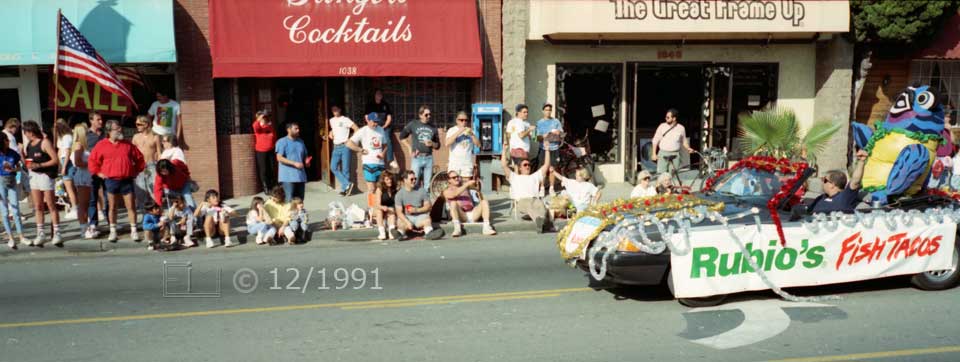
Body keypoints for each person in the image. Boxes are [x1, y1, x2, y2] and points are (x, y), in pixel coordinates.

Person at [89, 119, 146, 243]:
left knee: (131, 206)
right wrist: (99, 173)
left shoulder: (128, 144)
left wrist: (136, 171)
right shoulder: (101, 145)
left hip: (127, 180)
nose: (120, 130)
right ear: (109, 131)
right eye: (117, 128)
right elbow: (92, 161)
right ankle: (113, 231)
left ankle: (134, 231)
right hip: (111, 181)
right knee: (112, 207)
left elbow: (140, 159)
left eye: (120, 127)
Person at [22, 121, 61, 246]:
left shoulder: (44, 142)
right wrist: (22, 155)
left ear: (30, 132)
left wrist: (40, 165)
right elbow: (28, 163)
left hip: (45, 176)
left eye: (25, 132)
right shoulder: (29, 144)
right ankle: (41, 233)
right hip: (34, 176)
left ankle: (57, 233)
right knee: (38, 206)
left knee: (50, 205)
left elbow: (55, 160)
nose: (25, 134)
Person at [500, 141, 553, 233]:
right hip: (522, 201)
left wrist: (547, 150)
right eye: (525, 165)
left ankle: (541, 220)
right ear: (520, 168)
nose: (528, 166)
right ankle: (539, 220)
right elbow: (504, 165)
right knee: (529, 206)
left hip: (535, 199)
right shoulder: (514, 177)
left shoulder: (535, 176)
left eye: (529, 165)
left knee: (541, 205)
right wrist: (504, 150)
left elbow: (546, 165)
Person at [808, 149, 867, 214]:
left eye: (824, 180)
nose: (822, 182)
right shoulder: (821, 197)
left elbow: (856, 181)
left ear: (832, 184)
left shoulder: (845, 197)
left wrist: (861, 161)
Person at [443, 170, 496, 237]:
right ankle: (457, 228)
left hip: (473, 213)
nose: (457, 178)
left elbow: (478, 191)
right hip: (461, 215)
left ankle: (486, 227)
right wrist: (467, 184)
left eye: (458, 176)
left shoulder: (465, 187)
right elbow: (454, 194)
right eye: (454, 177)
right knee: (453, 203)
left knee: (484, 202)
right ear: (449, 180)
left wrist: (477, 186)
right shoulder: (446, 191)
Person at [399, 105, 440, 189]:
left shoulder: (433, 127)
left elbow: (438, 145)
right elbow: (402, 137)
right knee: (414, 182)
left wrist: (432, 143)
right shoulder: (413, 124)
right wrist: (409, 148)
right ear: (420, 115)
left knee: (427, 185)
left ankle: (425, 201)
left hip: (429, 158)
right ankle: (415, 201)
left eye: (430, 114)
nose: (428, 116)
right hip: (417, 157)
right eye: (426, 115)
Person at [347, 113, 387, 196]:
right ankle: (371, 208)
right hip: (369, 162)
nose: (375, 124)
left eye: (377, 122)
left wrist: (383, 153)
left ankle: (376, 207)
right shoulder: (363, 131)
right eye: (373, 122)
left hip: (380, 163)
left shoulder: (381, 129)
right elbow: (349, 143)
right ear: (368, 120)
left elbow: (385, 145)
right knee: (371, 188)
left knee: (380, 188)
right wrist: (360, 150)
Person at [395, 170, 441, 240]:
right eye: (411, 179)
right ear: (405, 180)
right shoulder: (399, 194)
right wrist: (407, 222)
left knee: (427, 219)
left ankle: (429, 233)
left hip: (420, 216)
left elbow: (428, 206)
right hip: (407, 217)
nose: (414, 181)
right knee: (400, 221)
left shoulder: (421, 190)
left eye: (415, 179)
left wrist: (416, 210)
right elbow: (399, 212)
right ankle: (400, 234)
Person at [84, 111, 108, 239]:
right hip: (93, 170)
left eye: (101, 119)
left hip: (106, 170)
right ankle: (93, 223)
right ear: (91, 121)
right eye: (98, 119)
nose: (101, 122)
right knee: (93, 198)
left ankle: (111, 221)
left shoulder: (105, 134)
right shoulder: (86, 135)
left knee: (108, 196)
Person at [132, 115, 162, 212]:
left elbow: (159, 152)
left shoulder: (155, 136)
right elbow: (131, 152)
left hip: (151, 166)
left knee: (154, 191)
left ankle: (157, 212)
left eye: (139, 124)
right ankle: (145, 215)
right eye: (136, 124)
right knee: (141, 192)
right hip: (139, 167)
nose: (137, 126)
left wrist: (160, 166)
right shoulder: (136, 137)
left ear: (146, 124)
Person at [652, 108, 694, 175]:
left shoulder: (681, 128)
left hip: (675, 155)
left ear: (674, 118)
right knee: (661, 176)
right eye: (666, 117)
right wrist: (654, 154)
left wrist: (688, 148)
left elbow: (684, 141)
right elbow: (655, 140)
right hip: (663, 154)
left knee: (673, 175)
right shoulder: (662, 126)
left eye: (668, 117)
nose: (666, 118)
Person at [0, 135, 24, 249]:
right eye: (6, 141)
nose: (8, 142)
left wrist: (14, 169)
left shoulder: (13, 153)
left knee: (15, 209)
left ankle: (21, 236)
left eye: (8, 140)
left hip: (12, 180)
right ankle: (10, 237)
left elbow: (19, 167)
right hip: (0, 182)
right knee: (4, 211)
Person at [275, 122, 309, 202]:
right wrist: (294, 163)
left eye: (298, 128)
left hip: (300, 176)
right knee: (289, 199)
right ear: (289, 130)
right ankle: (289, 215)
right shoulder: (282, 142)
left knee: (300, 200)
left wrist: (306, 161)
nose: (298, 130)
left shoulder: (301, 142)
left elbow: (305, 155)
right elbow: (279, 158)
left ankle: (299, 215)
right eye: (296, 129)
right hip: (288, 177)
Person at [328, 105, 357, 196]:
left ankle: (345, 190)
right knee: (333, 167)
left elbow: (356, 128)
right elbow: (334, 129)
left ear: (340, 109)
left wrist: (351, 140)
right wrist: (330, 132)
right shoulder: (331, 120)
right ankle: (347, 184)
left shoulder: (345, 119)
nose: (334, 111)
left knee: (345, 169)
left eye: (336, 109)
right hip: (336, 146)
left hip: (345, 146)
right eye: (333, 109)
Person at [365, 88, 396, 168]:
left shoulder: (385, 105)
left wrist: (384, 126)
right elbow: (366, 117)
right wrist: (371, 125)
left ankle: (391, 160)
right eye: (377, 94)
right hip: (373, 127)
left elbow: (389, 118)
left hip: (384, 127)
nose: (379, 95)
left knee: (387, 140)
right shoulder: (370, 104)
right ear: (374, 95)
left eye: (380, 94)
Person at [536, 103, 564, 194]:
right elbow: (537, 138)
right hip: (543, 148)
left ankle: (552, 188)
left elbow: (562, 134)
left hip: (554, 148)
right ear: (543, 111)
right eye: (546, 110)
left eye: (550, 110)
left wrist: (558, 132)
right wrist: (545, 135)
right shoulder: (539, 122)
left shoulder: (556, 121)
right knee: (543, 169)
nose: (548, 111)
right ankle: (542, 188)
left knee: (552, 169)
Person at [70, 124, 93, 231]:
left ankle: (86, 225)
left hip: (86, 174)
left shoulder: (83, 145)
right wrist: (92, 163)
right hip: (83, 175)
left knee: (86, 202)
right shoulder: (79, 145)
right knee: (83, 203)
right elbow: (78, 162)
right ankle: (83, 227)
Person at [54, 118, 78, 219]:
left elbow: (67, 152)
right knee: (67, 187)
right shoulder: (61, 137)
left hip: (67, 162)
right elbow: (60, 150)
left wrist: (64, 167)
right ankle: (74, 206)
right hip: (62, 161)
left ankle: (75, 208)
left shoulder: (67, 136)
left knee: (70, 187)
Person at [445, 111, 480, 177]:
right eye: (461, 120)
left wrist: (472, 135)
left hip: (467, 164)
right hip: (454, 164)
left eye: (466, 120)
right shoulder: (451, 130)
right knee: (455, 185)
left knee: (466, 185)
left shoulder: (470, 131)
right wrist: (459, 131)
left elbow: (478, 145)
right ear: (457, 120)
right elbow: (447, 143)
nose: (464, 122)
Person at [252, 110, 277, 193]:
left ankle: (273, 185)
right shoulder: (258, 127)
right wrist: (259, 119)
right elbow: (255, 126)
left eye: (266, 117)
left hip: (271, 150)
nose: (265, 119)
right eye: (264, 117)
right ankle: (265, 187)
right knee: (264, 169)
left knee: (272, 168)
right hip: (261, 151)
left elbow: (273, 136)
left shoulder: (270, 126)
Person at [372, 171, 399, 240]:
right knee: (379, 211)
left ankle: (391, 232)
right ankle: (382, 232)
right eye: (387, 179)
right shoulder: (379, 189)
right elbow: (377, 204)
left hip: (390, 209)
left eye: (390, 179)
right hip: (380, 208)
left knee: (391, 211)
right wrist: (383, 207)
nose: (390, 181)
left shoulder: (394, 189)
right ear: (383, 180)